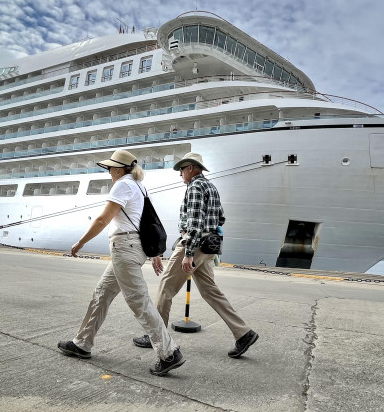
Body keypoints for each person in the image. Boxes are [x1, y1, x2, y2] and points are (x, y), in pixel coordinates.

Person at [58, 149, 185, 376]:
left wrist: (80, 242)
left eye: (110, 168)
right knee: (102, 294)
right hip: (132, 248)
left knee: (139, 301)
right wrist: (155, 253)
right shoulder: (139, 186)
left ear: (119, 168)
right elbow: (148, 223)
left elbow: (103, 218)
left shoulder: (123, 185)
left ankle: (169, 353)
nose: (108, 172)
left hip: (124, 249)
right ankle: (82, 343)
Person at [133, 152, 258, 359]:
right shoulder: (211, 187)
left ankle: (156, 335)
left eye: (182, 169)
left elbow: (195, 223)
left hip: (194, 245)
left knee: (166, 287)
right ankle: (244, 333)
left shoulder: (195, 187)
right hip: (209, 246)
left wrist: (188, 253)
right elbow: (221, 218)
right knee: (211, 292)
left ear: (191, 168)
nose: (181, 174)